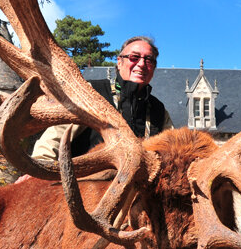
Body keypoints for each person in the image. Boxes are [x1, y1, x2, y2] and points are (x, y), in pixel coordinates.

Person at [31, 36, 172, 160]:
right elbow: (56, 135)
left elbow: (176, 148)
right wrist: (39, 169)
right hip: (85, 185)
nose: (141, 64)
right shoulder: (91, 92)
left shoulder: (158, 110)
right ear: (119, 62)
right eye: (134, 57)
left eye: (149, 60)